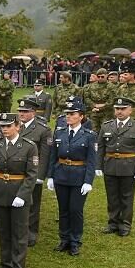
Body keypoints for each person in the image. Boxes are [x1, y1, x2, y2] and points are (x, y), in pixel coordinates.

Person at [0, 113, 39, 268]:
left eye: (8, 126)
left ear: (17, 126)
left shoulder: (29, 147)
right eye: (2, 126)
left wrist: (22, 195)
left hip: (18, 195)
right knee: (3, 232)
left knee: (19, 234)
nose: (4, 129)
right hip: (0, 194)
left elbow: (31, 175)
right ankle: (5, 264)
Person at [46, 99, 98, 255]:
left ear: (81, 116)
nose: (68, 116)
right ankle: (64, 239)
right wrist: (51, 176)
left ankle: (75, 241)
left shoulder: (89, 135)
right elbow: (53, 156)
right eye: (67, 114)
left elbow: (91, 160)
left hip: (78, 177)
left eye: (72, 114)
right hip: (61, 175)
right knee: (63, 209)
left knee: (75, 210)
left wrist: (88, 181)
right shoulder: (59, 132)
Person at [96, 97, 135, 236]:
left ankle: (125, 225)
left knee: (126, 197)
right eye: (117, 109)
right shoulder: (106, 126)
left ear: (130, 110)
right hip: (110, 166)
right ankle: (113, 223)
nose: (119, 112)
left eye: (123, 109)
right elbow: (100, 147)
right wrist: (98, 166)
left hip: (129, 167)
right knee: (112, 197)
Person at [17, 98, 52, 247]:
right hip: (15, 171)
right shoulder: (14, 126)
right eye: (20, 111)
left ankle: (31, 232)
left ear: (33, 112)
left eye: (25, 111)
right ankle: (17, 230)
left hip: (32, 172)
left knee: (32, 204)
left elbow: (45, 155)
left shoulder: (42, 129)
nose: (21, 114)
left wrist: (40, 175)